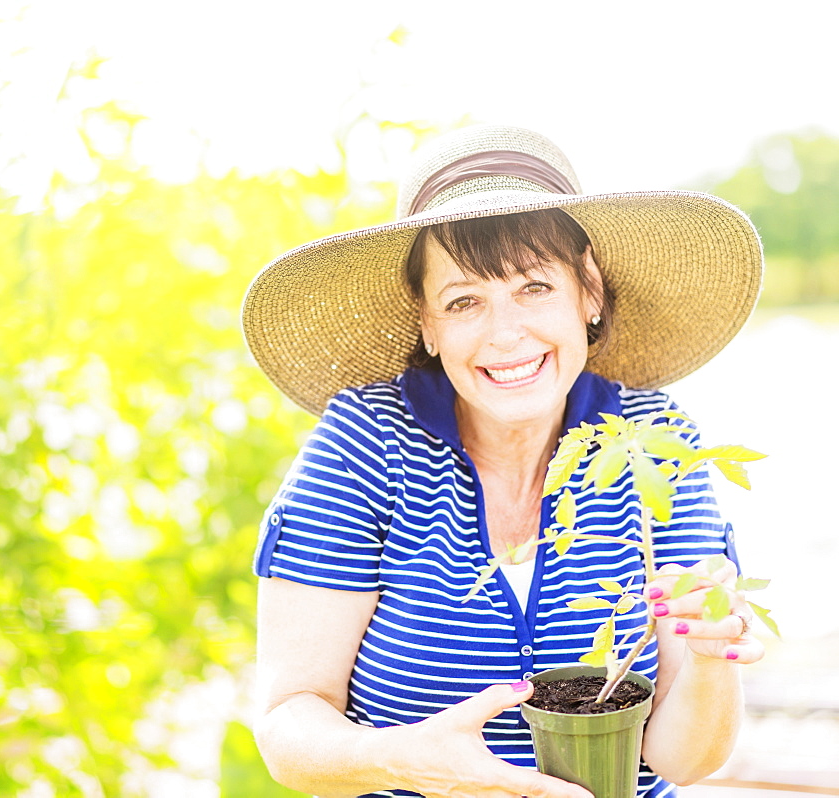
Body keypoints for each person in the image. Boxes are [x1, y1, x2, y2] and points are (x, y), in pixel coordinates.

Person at [241, 125, 765, 798]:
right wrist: (405, 761)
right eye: (464, 301)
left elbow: (682, 762)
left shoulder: (652, 437)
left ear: (590, 293)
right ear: (427, 324)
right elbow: (289, 726)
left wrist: (710, 656)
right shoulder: (366, 441)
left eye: (534, 288)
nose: (506, 334)